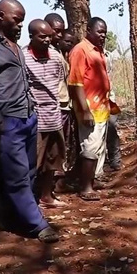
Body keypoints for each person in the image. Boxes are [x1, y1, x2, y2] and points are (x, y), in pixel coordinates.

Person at [0, 0, 59, 243]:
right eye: (16, 19)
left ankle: (13, 216)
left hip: (28, 117)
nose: (20, 25)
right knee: (17, 175)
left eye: (22, 19)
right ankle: (38, 225)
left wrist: (33, 113)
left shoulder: (14, 45)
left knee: (29, 173)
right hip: (7, 121)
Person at [23, 20, 68, 208]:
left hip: (54, 117)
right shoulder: (22, 57)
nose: (48, 40)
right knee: (32, 162)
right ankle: (28, 201)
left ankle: (46, 196)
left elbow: (58, 83)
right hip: (35, 118)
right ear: (31, 36)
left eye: (50, 36)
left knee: (52, 159)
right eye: (42, 36)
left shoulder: (57, 58)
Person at [68, 17, 111, 201]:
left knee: (99, 147)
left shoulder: (98, 51)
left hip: (102, 107)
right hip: (89, 108)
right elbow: (75, 83)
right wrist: (85, 110)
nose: (102, 36)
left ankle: (92, 180)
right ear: (88, 30)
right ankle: (85, 187)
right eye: (99, 32)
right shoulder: (80, 50)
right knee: (90, 147)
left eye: (104, 33)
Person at [57, 29, 80, 174]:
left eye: (72, 42)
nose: (69, 44)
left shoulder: (69, 57)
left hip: (68, 105)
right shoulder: (56, 57)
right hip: (59, 105)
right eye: (67, 41)